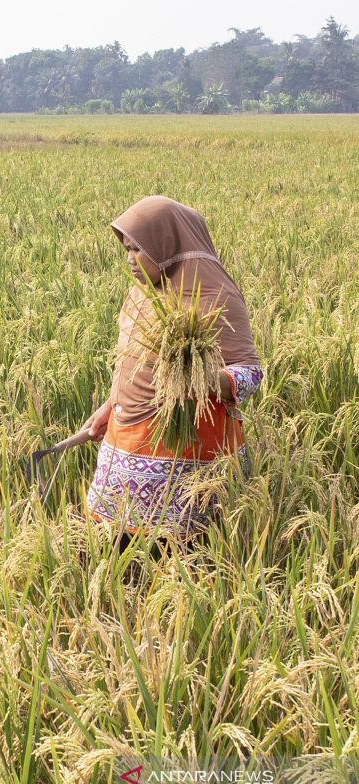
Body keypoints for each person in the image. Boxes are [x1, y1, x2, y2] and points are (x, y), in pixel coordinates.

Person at [81, 196, 264, 535]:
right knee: (115, 550)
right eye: (127, 250)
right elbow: (132, 364)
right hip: (125, 450)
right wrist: (111, 406)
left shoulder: (215, 295)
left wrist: (203, 378)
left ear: (167, 244)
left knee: (183, 557)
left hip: (188, 457)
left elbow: (251, 373)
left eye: (139, 249)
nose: (131, 260)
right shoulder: (141, 293)